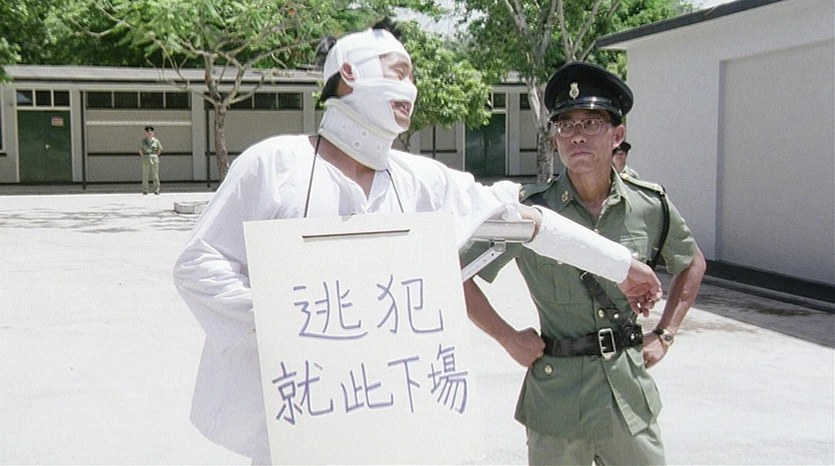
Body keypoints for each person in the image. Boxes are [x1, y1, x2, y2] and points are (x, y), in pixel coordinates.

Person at [172, 26, 662, 464]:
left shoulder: (420, 180)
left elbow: (525, 219)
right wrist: (291, 320)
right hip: (301, 426)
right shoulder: (274, 166)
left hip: (395, 427)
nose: (410, 88)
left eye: (413, 77)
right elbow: (198, 265)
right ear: (350, 72)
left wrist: (621, 265)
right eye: (399, 72)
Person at [463, 61, 706, 465]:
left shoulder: (648, 205)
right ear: (555, 138)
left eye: (591, 123)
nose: (576, 135)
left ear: (617, 135)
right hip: (557, 400)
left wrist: (665, 334)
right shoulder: (529, 214)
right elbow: (455, 276)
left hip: (627, 396)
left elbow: (692, 262)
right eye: (565, 124)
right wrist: (506, 337)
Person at [139, 126, 163, 195]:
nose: (149, 133)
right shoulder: (143, 141)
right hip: (146, 158)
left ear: (153, 133)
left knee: (155, 175)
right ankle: (145, 190)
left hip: (154, 158)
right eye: (148, 132)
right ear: (145, 133)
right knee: (145, 175)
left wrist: (155, 156)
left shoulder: (156, 141)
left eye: (150, 132)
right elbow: (140, 150)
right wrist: (144, 156)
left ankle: (157, 189)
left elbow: (159, 149)